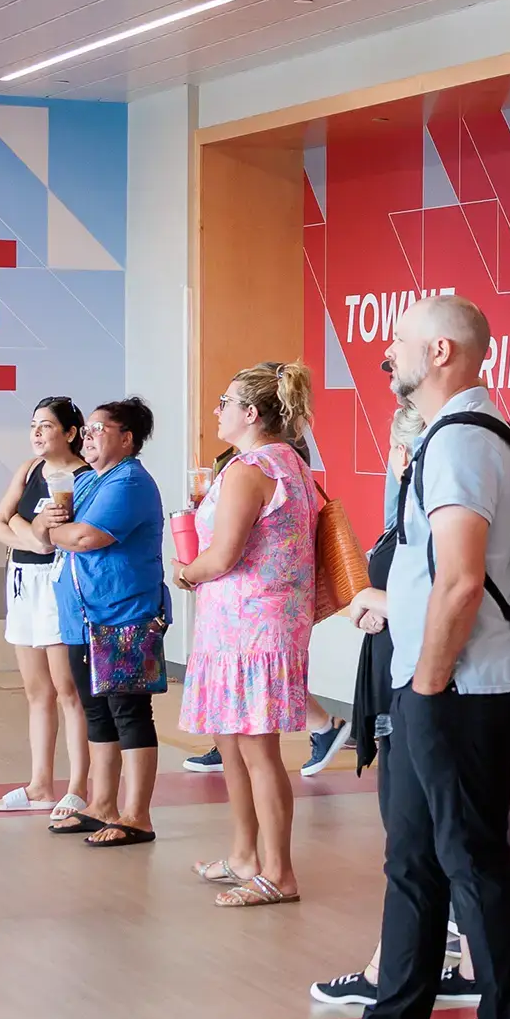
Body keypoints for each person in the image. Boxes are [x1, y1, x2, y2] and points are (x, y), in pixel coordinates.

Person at [291, 295, 510, 1019]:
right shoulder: (468, 436)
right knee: (419, 860)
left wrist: (427, 684)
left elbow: (461, 579)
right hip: (452, 683)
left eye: (398, 343)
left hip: (457, 687)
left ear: (442, 352)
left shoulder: (463, 443)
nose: (386, 356)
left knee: (466, 859)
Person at [169, 364, 322, 907]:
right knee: (232, 743)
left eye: (225, 401)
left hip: (251, 627)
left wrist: (186, 571)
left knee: (257, 750)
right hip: (247, 623)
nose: (218, 410)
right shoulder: (291, 464)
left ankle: (278, 872)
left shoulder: (250, 469)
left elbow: (224, 554)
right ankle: (243, 854)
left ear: (251, 413)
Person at [38, 397, 166, 849]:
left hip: (123, 614)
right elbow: (48, 529)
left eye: (97, 430)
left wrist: (54, 534)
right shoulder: (91, 481)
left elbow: (88, 537)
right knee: (97, 711)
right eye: (86, 431)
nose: (87, 437)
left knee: (129, 712)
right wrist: (54, 532)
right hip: (82, 618)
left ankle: (138, 815)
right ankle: (102, 804)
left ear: (126, 438)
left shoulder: (129, 481)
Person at [0, 398, 91, 817]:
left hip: (59, 583)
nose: (37, 433)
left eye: (46, 426)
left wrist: (20, 527)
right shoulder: (27, 471)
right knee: (36, 691)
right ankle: (40, 785)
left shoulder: (84, 477)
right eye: (33, 425)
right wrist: (32, 536)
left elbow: (62, 534)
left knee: (69, 690)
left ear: (70, 432)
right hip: (22, 582)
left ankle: (79, 787)